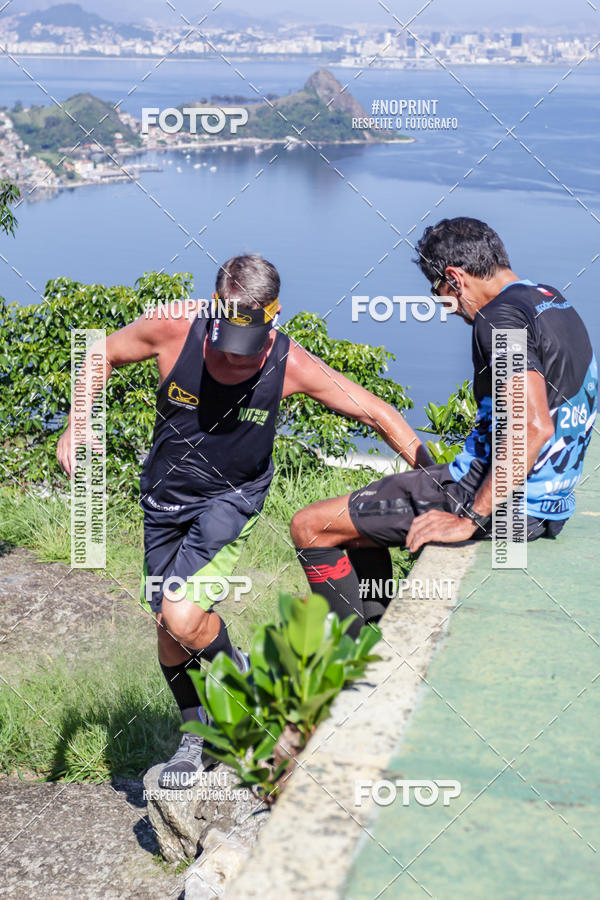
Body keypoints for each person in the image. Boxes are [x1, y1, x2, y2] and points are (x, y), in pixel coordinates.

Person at [57, 253, 432, 787]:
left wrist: (436, 476)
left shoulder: (290, 363)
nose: (236, 362)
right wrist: (76, 423)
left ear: (272, 320)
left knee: (181, 616)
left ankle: (245, 688)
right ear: (214, 310)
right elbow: (100, 353)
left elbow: (376, 412)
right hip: (164, 500)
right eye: (227, 348)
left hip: (230, 500)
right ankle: (196, 738)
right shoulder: (172, 329)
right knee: (169, 630)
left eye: (248, 352)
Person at [290, 217, 598, 621]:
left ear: (454, 277)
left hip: (502, 502)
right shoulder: (551, 299)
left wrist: (469, 518)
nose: (445, 306)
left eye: (439, 292)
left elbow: (532, 426)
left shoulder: (498, 319)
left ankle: (343, 668)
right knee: (361, 518)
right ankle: (376, 633)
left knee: (310, 525)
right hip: (550, 502)